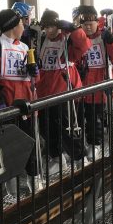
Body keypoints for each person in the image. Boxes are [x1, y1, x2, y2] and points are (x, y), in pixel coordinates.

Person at [36, 9, 91, 170]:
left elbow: (84, 46)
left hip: (64, 89)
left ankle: (80, 158)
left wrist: (75, 30)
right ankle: (57, 158)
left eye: (52, 26)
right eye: (46, 27)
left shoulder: (66, 39)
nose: (49, 30)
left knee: (68, 128)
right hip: (44, 91)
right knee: (47, 128)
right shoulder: (42, 39)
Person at [0, 9, 40, 180]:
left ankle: (33, 176)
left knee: (29, 139)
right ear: (13, 26)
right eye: (21, 23)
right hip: (7, 101)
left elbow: (34, 78)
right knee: (9, 143)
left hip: (26, 100)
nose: (23, 27)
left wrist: (34, 71)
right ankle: (11, 179)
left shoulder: (24, 47)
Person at [76, 5, 113, 157]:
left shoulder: (103, 36)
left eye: (90, 24)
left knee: (95, 115)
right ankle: (80, 143)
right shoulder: (79, 37)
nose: (88, 27)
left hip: (99, 80)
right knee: (80, 115)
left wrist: (111, 40)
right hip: (82, 81)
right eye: (84, 24)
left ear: (97, 22)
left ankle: (95, 143)